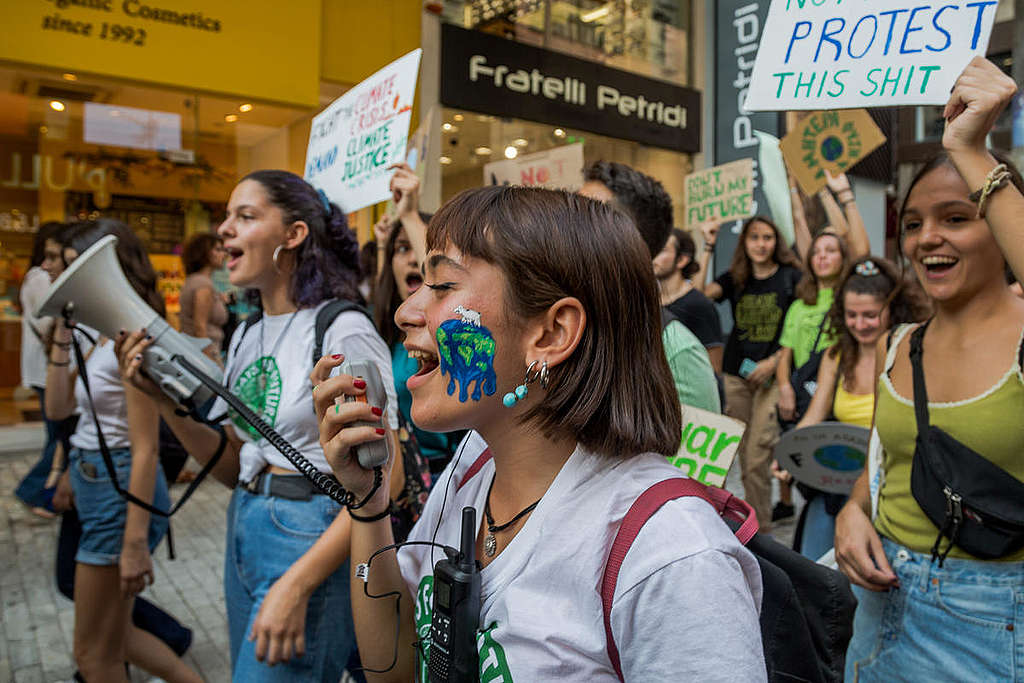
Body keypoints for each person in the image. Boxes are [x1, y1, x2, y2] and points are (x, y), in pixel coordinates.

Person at [313, 185, 765, 681]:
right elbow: (394, 670)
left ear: (550, 334)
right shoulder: (471, 467)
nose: (406, 311)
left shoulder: (673, 557)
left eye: (442, 286)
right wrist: (369, 504)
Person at [117, 169, 400, 682]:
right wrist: (160, 402)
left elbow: (388, 478)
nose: (224, 229)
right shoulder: (246, 333)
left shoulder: (342, 329)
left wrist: (297, 584)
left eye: (245, 216)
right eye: (228, 217)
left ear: (293, 236)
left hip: (310, 534)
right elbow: (232, 462)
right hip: (245, 522)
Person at [835, 57, 1024, 680]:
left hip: (989, 621)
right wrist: (854, 512)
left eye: (956, 217)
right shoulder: (900, 344)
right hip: (880, 604)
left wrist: (969, 148)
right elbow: (887, 460)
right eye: (913, 224)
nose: (926, 239)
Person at [45, 219, 200, 683]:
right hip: (99, 480)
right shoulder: (95, 329)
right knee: (116, 640)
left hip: (121, 491)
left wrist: (134, 543)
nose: (61, 278)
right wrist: (60, 333)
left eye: (74, 268)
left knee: (94, 656)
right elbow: (56, 407)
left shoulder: (129, 332)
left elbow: (147, 447)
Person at [777, 256, 929, 561]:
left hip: (892, 486)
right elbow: (815, 414)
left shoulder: (912, 354)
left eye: (870, 315)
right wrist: (789, 454)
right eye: (851, 315)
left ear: (892, 310)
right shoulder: (836, 355)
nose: (860, 325)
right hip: (837, 479)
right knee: (815, 567)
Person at [581, 161, 721, 413]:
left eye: (586, 216)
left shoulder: (678, 353)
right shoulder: (553, 328)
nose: (563, 224)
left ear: (631, 242)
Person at [694, 216, 803, 532]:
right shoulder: (736, 277)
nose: (760, 244)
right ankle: (734, 525)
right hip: (736, 377)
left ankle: (760, 534)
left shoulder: (790, 278)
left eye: (767, 237)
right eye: (754, 237)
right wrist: (708, 245)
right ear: (745, 243)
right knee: (736, 455)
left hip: (773, 376)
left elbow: (798, 328)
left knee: (757, 457)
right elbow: (697, 297)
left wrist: (773, 361)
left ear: (776, 243)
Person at [375, 163, 462, 488]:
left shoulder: (447, 335)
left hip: (441, 479)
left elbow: (438, 275)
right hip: (391, 480)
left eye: (418, 248)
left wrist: (411, 215)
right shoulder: (385, 331)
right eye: (402, 250)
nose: (412, 258)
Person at [16, 222, 73, 518]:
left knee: (58, 437)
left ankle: (47, 492)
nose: (47, 263)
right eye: (48, 254)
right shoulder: (38, 278)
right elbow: (45, 323)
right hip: (47, 370)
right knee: (58, 438)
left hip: (55, 370)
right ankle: (33, 492)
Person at [654, 228, 724, 374]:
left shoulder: (699, 305)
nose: (653, 255)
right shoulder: (649, 301)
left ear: (681, 260)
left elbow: (714, 369)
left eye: (662, 249)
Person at [179, 232, 229, 363]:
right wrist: (213, 362)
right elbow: (200, 328)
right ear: (204, 253)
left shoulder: (195, 281)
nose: (224, 254)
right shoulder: (203, 284)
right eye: (218, 249)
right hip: (203, 355)